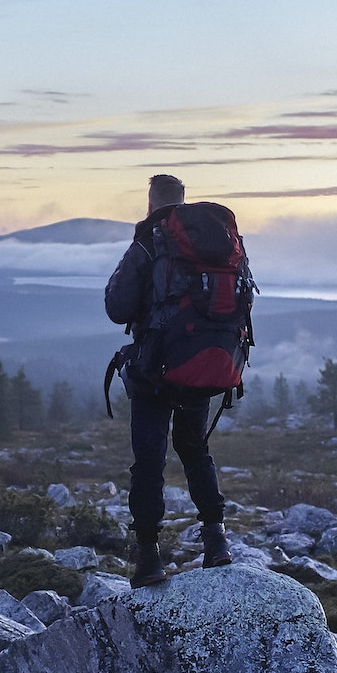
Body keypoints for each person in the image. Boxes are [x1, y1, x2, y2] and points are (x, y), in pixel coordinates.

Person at [104, 173, 239, 588]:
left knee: (149, 458)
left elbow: (117, 306)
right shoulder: (217, 244)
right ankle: (215, 542)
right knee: (195, 448)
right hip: (200, 365)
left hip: (154, 370)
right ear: (182, 201)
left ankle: (149, 557)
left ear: (151, 202)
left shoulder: (150, 241)